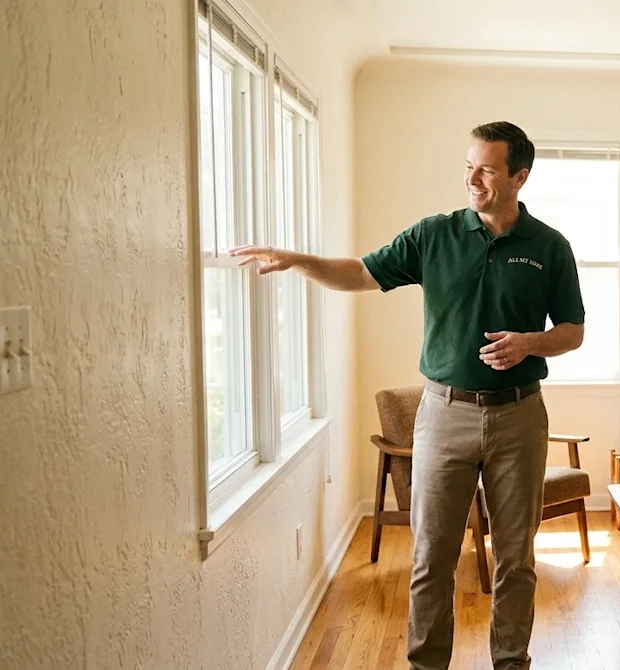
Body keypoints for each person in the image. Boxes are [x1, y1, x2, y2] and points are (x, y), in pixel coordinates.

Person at [230, 121, 585, 670]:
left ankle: (511, 663)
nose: (472, 178)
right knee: (431, 557)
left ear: (520, 176)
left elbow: (572, 330)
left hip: (519, 416)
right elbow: (360, 273)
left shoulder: (549, 246)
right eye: (468, 164)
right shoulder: (433, 235)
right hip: (443, 415)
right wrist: (302, 260)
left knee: (515, 558)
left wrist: (530, 344)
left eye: (487, 169)